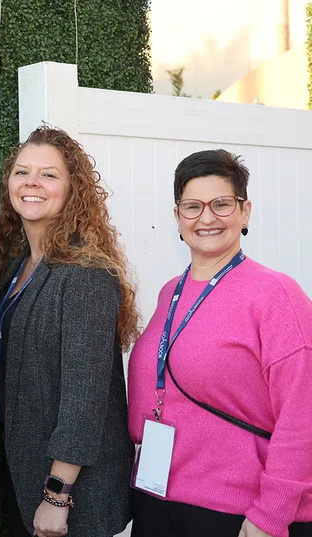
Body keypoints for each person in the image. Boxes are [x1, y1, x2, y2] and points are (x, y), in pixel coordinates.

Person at [127, 149, 312, 537]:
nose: (206, 218)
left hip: (238, 513)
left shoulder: (276, 294)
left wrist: (270, 515)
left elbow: (302, 414)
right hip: (156, 499)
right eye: (192, 206)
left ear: (245, 212)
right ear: (177, 217)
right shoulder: (169, 294)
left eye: (222, 204)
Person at [0, 125, 137, 537]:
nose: (32, 182)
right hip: (23, 474)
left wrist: (56, 497)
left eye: (49, 174)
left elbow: (83, 402)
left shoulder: (86, 273)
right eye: (22, 172)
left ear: (72, 191)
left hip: (71, 496)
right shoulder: (18, 267)